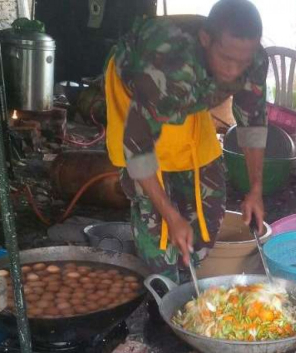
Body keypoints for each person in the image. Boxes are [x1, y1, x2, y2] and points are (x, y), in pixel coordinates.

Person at [104, 0, 268, 282]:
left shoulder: (251, 60)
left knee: (208, 215)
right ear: (206, 40)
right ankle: (163, 298)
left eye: (242, 62)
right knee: (157, 232)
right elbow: (137, 149)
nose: (233, 70)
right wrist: (171, 216)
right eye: (226, 59)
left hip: (190, 100)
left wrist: (255, 189)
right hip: (139, 98)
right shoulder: (165, 70)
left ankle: (188, 279)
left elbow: (252, 124)